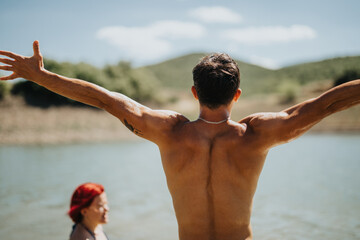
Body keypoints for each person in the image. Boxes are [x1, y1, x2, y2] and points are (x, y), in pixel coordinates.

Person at [1, 41, 359, 240]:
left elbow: (105, 98)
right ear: (237, 95)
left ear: (193, 92)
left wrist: (40, 77)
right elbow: (325, 104)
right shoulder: (256, 135)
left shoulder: (170, 132)